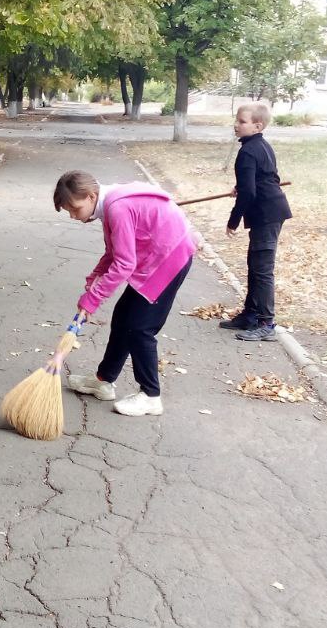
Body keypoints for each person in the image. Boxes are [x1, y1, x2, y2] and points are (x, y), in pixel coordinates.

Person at [55, 170, 198, 417]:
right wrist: (95, 279)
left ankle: (150, 396)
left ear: (90, 196)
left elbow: (124, 264)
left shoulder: (117, 209)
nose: (73, 216)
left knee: (139, 327)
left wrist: (92, 300)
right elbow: (113, 252)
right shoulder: (109, 204)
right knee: (123, 318)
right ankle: (104, 380)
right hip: (153, 258)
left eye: (75, 209)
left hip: (168, 259)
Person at [221, 101, 292, 342]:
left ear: (257, 125)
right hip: (269, 212)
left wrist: (233, 220)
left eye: (242, 122)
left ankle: (266, 323)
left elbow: (250, 193)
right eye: (237, 120)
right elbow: (267, 176)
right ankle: (250, 315)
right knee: (255, 264)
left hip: (267, 214)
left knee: (262, 270)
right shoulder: (260, 146)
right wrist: (241, 184)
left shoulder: (248, 151)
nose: (236, 125)